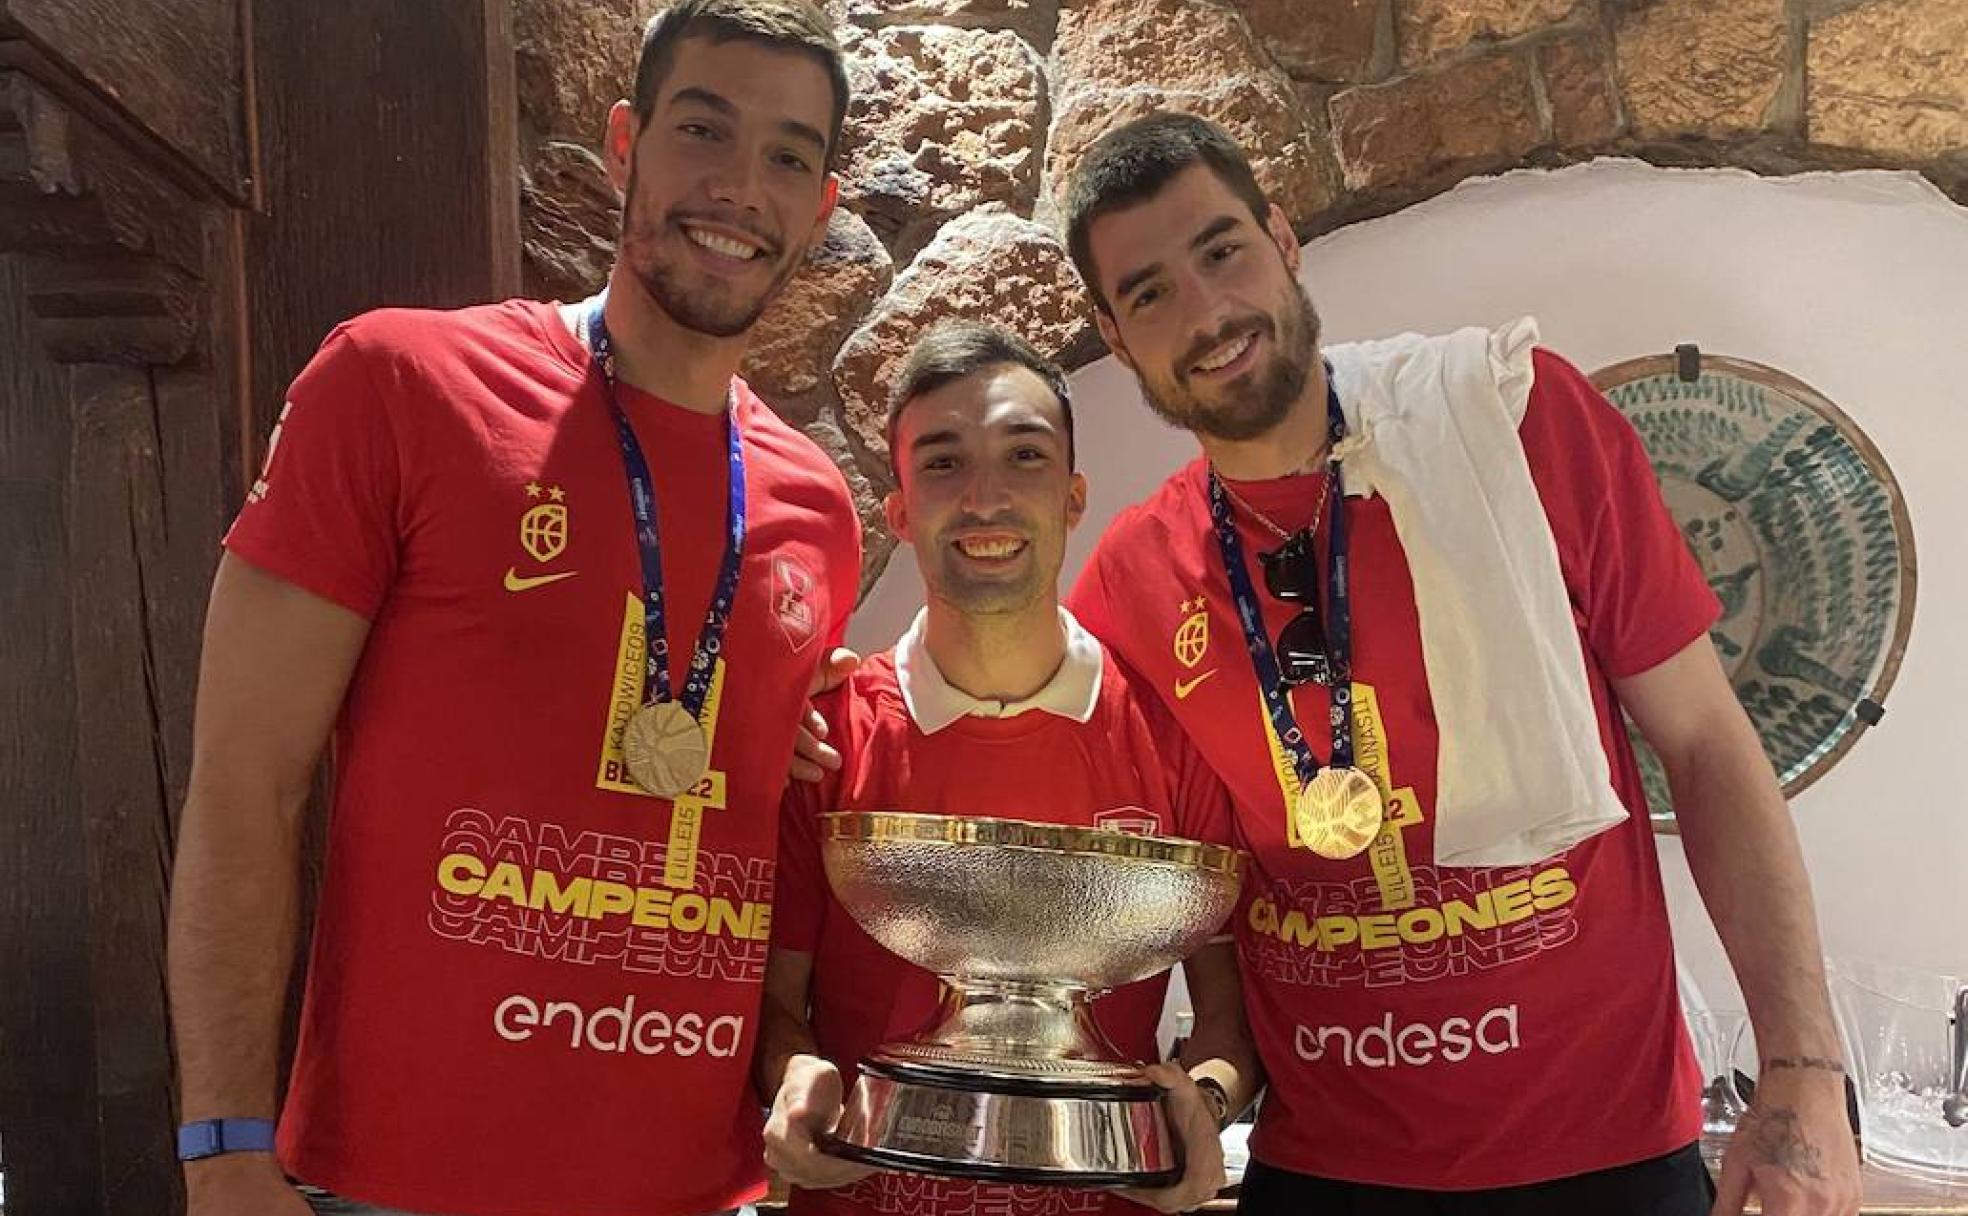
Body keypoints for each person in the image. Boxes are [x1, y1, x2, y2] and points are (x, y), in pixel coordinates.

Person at [1054, 112, 1862, 1216]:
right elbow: (1177, 886)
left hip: (1608, 1155)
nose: (1205, 310)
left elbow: (1710, 744)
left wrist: (1803, 1070)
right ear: (1113, 330)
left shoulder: (1518, 425)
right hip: (1325, 1169)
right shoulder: (1128, 584)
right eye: (1148, 292)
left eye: (1222, 249)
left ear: (1284, 239)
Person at [164, 4, 862, 1215]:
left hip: (693, 1190)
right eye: (705, 128)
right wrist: (222, 1143)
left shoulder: (817, 504)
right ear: (624, 143)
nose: (741, 186)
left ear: (822, 204)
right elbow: (242, 782)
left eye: (789, 156)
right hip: (395, 1184)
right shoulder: (397, 383)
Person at [756, 321, 1261, 1216]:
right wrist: (794, 1078)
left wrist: (1205, 1103)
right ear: (900, 509)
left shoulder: (1173, 735)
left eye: (1023, 457)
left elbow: (1230, 1014)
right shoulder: (827, 736)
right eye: (944, 463)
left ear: (1072, 497)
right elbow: (774, 1003)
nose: (985, 499)